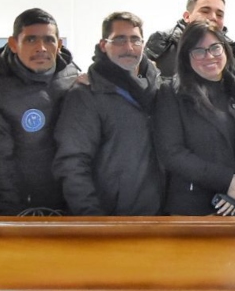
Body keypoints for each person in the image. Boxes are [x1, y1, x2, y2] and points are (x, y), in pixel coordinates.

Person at [53, 11, 163, 215]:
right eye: (119, 40)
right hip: (109, 218)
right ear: (104, 45)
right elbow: (72, 163)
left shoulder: (158, 89)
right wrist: (91, 218)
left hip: (157, 216)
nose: (129, 47)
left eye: (135, 40)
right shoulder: (86, 95)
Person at [154, 21, 235, 215]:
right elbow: (172, 153)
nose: (209, 56)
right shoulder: (171, 92)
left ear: (225, 49)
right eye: (199, 51)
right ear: (186, 57)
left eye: (215, 48)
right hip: (194, 208)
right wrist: (227, 181)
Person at [0, 8, 80, 215]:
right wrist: (11, 214)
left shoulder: (74, 77)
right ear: (13, 44)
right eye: (31, 39)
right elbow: (0, 159)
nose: (41, 48)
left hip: (70, 203)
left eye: (49, 40)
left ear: (59, 45)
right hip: (15, 207)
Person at [145, 0, 235, 78]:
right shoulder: (163, 44)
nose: (213, 17)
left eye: (219, 15)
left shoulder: (232, 50)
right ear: (187, 16)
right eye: (205, 11)